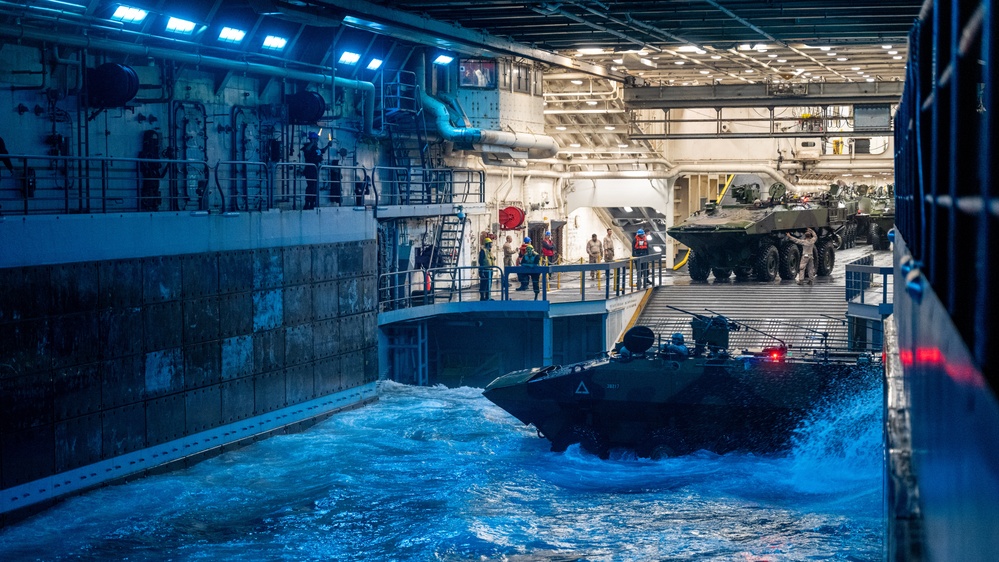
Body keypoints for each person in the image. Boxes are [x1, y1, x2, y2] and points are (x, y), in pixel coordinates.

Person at [301, 131, 329, 210]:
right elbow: (307, 150)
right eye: (315, 139)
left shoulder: (316, 148)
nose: (317, 141)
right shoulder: (308, 147)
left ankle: (313, 202)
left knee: (314, 186)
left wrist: (327, 146)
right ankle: (307, 203)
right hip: (310, 170)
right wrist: (312, 143)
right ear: (312, 139)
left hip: (315, 170)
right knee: (310, 186)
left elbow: (321, 151)